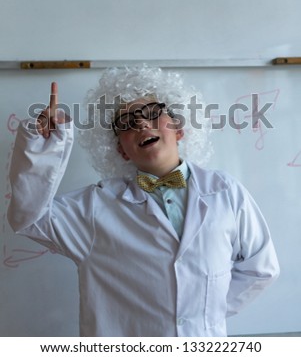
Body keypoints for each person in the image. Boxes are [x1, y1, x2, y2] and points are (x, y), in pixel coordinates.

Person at [8, 66, 279, 337]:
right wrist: (46, 146)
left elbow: (261, 268)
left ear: (179, 128)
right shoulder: (96, 207)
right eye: (125, 123)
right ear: (120, 150)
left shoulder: (225, 192)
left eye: (152, 113)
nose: (140, 124)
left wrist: (202, 311)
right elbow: (29, 219)